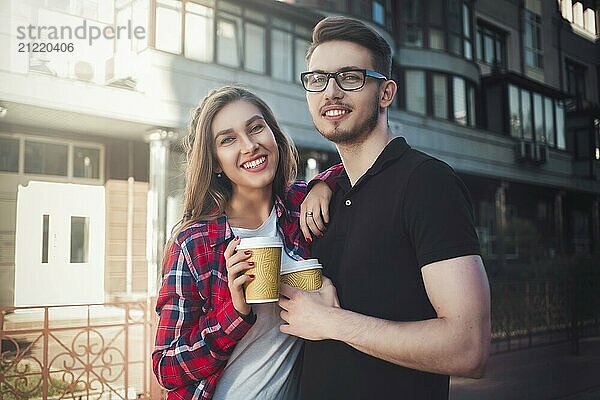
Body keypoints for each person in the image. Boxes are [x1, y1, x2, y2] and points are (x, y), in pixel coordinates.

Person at [278, 16, 492, 399]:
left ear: (386, 93)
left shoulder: (427, 183)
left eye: (350, 77)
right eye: (318, 79)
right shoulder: (324, 194)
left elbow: (469, 347)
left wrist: (331, 322)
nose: (332, 92)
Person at [152, 86, 339, 400]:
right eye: (228, 139)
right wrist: (235, 312)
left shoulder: (298, 210)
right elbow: (166, 367)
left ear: (273, 134)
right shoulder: (194, 243)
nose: (250, 145)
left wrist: (324, 183)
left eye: (256, 128)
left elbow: (357, 169)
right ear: (214, 162)